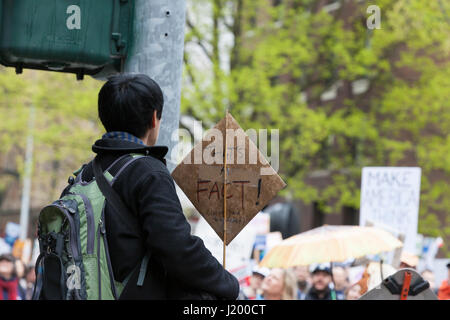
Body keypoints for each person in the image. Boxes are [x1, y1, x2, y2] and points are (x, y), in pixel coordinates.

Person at [74, 74, 239, 299]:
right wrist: (229, 284)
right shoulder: (149, 172)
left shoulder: (84, 174)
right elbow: (177, 248)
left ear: (104, 116)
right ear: (154, 118)